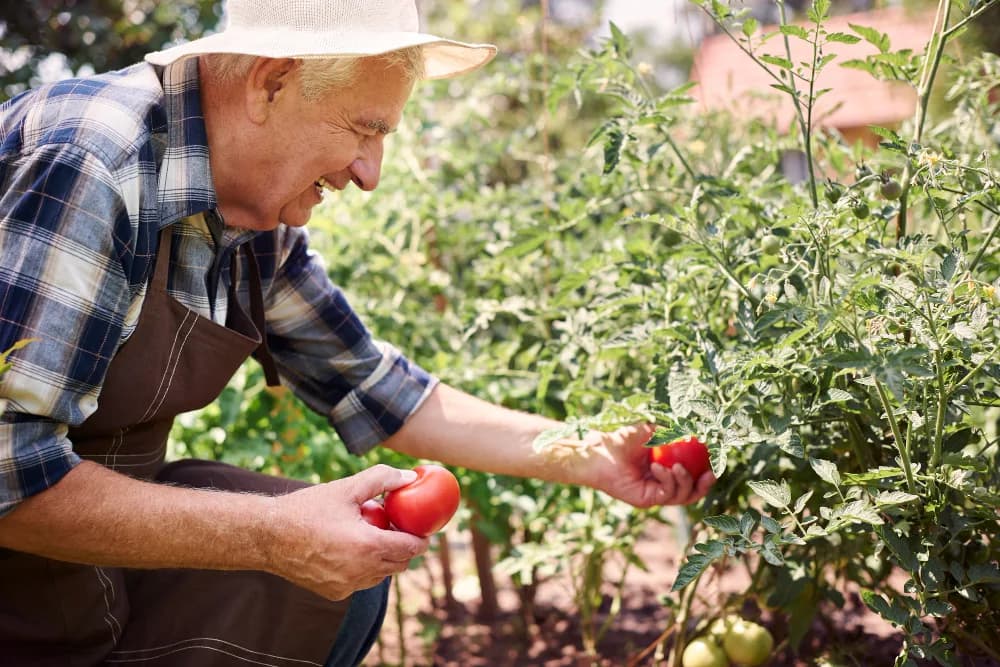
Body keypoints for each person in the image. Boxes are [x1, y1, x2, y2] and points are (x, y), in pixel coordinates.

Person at [0, 0, 717, 665]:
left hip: (87, 569)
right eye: (364, 127)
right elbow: (9, 473)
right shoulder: (93, 162)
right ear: (271, 82)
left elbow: (375, 387)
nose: (370, 173)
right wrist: (273, 535)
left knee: (333, 582)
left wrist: (589, 456)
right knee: (287, 555)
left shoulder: (249, 211)